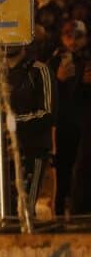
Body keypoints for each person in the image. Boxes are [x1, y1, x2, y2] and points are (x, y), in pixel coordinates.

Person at [0, 45, 56, 224]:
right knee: (4, 209)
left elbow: (48, 113)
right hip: (3, 152)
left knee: (25, 208)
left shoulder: (39, 70)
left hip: (32, 149)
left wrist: (12, 122)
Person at [49, 20, 89, 215]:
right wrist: (59, 80)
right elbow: (48, 93)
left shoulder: (87, 59)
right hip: (64, 124)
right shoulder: (55, 60)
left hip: (85, 124)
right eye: (68, 36)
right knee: (62, 169)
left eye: (78, 36)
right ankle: (59, 212)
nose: (73, 41)